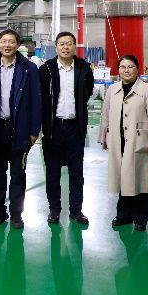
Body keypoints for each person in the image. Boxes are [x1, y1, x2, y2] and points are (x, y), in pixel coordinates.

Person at [0, 29, 41, 229]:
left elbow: (36, 100)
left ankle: (16, 214)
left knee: (18, 174)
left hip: (19, 130)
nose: (7, 45)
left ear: (17, 45)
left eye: (11, 41)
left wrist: (34, 130)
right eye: (4, 41)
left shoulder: (29, 69)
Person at [98, 54, 148, 231]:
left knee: (140, 180)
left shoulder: (146, 90)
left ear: (137, 69)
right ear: (118, 70)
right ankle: (123, 214)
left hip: (138, 140)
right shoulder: (112, 90)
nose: (126, 70)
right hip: (117, 140)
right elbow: (105, 114)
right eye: (123, 67)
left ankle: (140, 217)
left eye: (130, 67)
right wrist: (103, 137)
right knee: (122, 179)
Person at [38, 32, 94, 225]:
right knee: (52, 173)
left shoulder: (84, 68)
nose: (65, 47)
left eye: (69, 44)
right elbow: (41, 98)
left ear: (74, 46)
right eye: (61, 44)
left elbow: (88, 91)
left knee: (77, 173)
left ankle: (76, 210)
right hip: (53, 129)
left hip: (75, 128)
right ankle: (54, 210)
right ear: (56, 47)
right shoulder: (46, 69)